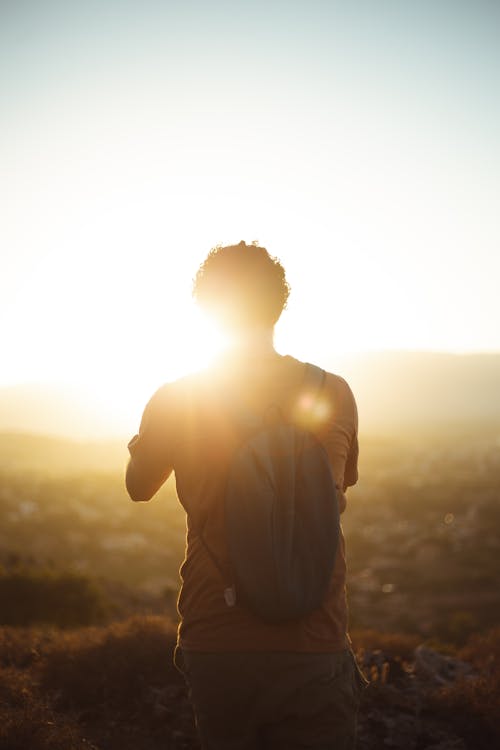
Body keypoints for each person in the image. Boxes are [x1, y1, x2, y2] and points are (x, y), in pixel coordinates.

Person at [126, 241, 365, 749]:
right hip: (313, 638)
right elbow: (335, 493)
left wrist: (144, 439)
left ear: (206, 308)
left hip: (218, 635)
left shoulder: (178, 398)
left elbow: (138, 487)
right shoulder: (332, 393)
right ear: (279, 305)